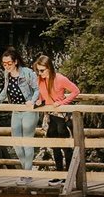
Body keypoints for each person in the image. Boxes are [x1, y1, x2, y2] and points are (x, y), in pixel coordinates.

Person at [32, 54, 80, 184]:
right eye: (38, 70)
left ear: (49, 68)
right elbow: (42, 95)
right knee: (55, 146)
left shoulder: (60, 78)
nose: (39, 73)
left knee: (66, 146)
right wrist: (38, 101)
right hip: (50, 116)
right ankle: (60, 175)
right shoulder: (39, 80)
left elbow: (76, 91)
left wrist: (63, 102)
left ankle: (70, 176)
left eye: (42, 70)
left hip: (61, 116)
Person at [0, 46, 40, 176]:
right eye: (4, 64)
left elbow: (37, 89)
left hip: (28, 111)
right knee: (16, 144)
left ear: (15, 62)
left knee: (27, 142)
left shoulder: (27, 72)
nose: (6, 66)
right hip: (15, 111)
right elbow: (5, 90)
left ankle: (27, 175)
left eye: (9, 63)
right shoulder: (6, 74)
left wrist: (32, 101)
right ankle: (27, 171)